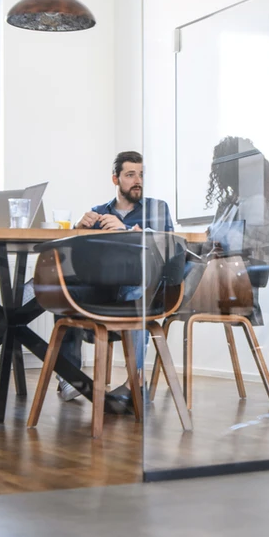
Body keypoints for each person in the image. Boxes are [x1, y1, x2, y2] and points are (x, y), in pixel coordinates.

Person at [59, 150, 174, 405]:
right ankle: (69, 376)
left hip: (136, 287)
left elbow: (170, 248)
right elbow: (77, 257)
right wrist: (79, 227)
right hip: (103, 290)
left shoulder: (157, 209)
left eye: (141, 175)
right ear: (115, 179)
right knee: (64, 292)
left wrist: (128, 232)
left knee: (137, 293)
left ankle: (135, 380)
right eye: (130, 174)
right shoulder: (98, 212)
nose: (138, 181)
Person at [200, 136, 269, 325]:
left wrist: (216, 243)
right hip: (221, 278)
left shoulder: (257, 203)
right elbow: (212, 240)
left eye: (220, 167)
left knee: (168, 286)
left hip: (237, 288)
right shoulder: (228, 204)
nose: (217, 172)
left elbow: (250, 247)